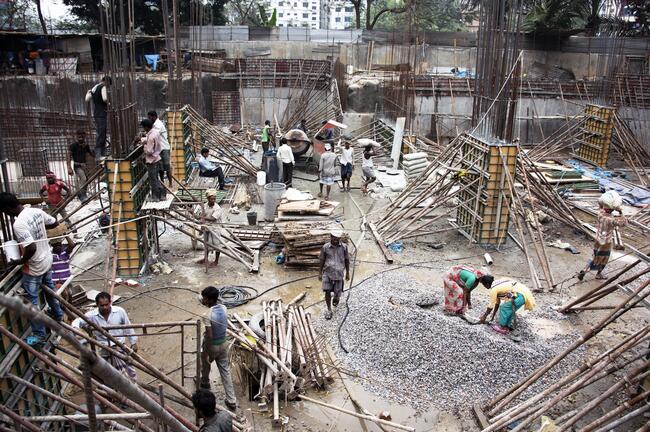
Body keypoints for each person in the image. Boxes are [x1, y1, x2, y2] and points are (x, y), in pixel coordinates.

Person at [0, 192, 64, 346]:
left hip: (34, 267)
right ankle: (58, 315)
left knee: (32, 303)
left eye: (3, 210)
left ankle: (39, 336)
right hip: (46, 259)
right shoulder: (36, 211)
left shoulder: (19, 224)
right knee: (50, 290)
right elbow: (54, 222)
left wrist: (20, 261)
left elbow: (31, 248)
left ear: (8, 208)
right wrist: (38, 230)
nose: (5, 214)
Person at [72, 292, 139, 379]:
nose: (105, 307)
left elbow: (128, 327)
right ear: (97, 305)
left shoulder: (119, 311)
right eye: (102, 305)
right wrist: (75, 328)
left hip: (120, 347)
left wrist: (133, 342)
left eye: (106, 304)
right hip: (104, 348)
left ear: (110, 302)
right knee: (109, 375)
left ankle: (132, 389)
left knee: (130, 374)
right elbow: (78, 321)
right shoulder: (92, 315)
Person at [200, 286, 237, 410]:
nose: (202, 300)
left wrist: (206, 353)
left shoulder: (207, 315)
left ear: (209, 300)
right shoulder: (224, 308)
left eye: (204, 298)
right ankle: (231, 400)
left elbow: (209, 336)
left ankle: (205, 382)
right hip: (224, 343)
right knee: (225, 371)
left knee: (205, 364)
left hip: (213, 346)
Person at [578, 200, 628, 281]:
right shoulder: (611, 220)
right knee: (604, 258)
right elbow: (624, 223)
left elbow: (600, 204)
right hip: (606, 242)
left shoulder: (600, 214)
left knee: (595, 256)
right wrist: (620, 211)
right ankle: (598, 274)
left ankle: (584, 270)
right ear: (612, 210)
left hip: (598, 240)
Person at [319, 230, 349, 320]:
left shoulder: (344, 247)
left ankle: (336, 298)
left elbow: (347, 260)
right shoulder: (325, 247)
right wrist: (319, 273)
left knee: (337, 293)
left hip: (339, 273)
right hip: (327, 273)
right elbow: (322, 260)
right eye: (334, 238)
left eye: (338, 239)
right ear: (331, 237)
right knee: (327, 291)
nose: (336, 240)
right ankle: (329, 309)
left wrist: (348, 272)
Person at [85, 76, 111, 160]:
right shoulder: (103, 87)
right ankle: (98, 154)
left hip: (96, 113)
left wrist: (88, 92)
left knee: (101, 133)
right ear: (106, 82)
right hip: (102, 113)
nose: (108, 87)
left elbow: (87, 99)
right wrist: (109, 103)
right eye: (108, 85)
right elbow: (105, 98)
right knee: (101, 134)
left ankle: (100, 153)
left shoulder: (94, 88)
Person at [140, 119, 166, 202]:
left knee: (153, 179)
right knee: (157, 178)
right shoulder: (155, 132)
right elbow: (149, 139)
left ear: (147, 127)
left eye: (144, 127)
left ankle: (155, 197)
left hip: (152, 160)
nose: (144, 129)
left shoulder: (151, 137)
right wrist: (142, 140)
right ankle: (162, 195)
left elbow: (149, 151)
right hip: (157, 158)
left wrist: (144, 147)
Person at [67, 129, 95, 203]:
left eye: (82, 135)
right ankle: (81, 195)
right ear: (76, 136)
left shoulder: (86, 145)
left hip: (84, 166)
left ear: (85, 136)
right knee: (83, 178)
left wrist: (98, 153)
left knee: (86, 180)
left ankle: (83, 195)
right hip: (77, 166)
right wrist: (69, 167)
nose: (81, 137)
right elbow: (68, 156)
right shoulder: (73, 146)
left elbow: (92, 154)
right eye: (79, 135)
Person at [197, 189, 223, 266]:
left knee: (217, 245)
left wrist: (202, 218)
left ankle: (216, 261)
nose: (213, 200)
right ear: (208, 199)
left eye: (214, 199)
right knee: (206, 244)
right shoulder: (205, 206)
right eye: (211, 199)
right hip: (207, 227)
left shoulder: (217, 208)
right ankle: (205, 258)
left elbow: (213, 218)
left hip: (215, 228)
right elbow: (201, 215)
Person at [47, 222, 75, 289]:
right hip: (55, 283)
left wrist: (65, 234)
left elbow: (72, 245)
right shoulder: (50, 255)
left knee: (70, 296)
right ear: (52, 246)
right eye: (55, 245)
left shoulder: (65, 253)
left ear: (62, 244)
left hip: (67, 282)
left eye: (59, 244)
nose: (58, 246)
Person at [148, 110, 172, 187]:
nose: (149, 119)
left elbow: (154, 135)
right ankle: (163, 184)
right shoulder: (154, 124)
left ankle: (170, 184)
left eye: (150, 117)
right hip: (159, 149)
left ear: (154, 117)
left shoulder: (158, 125)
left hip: (164, 148)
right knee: (160, 169)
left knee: (167, 167)